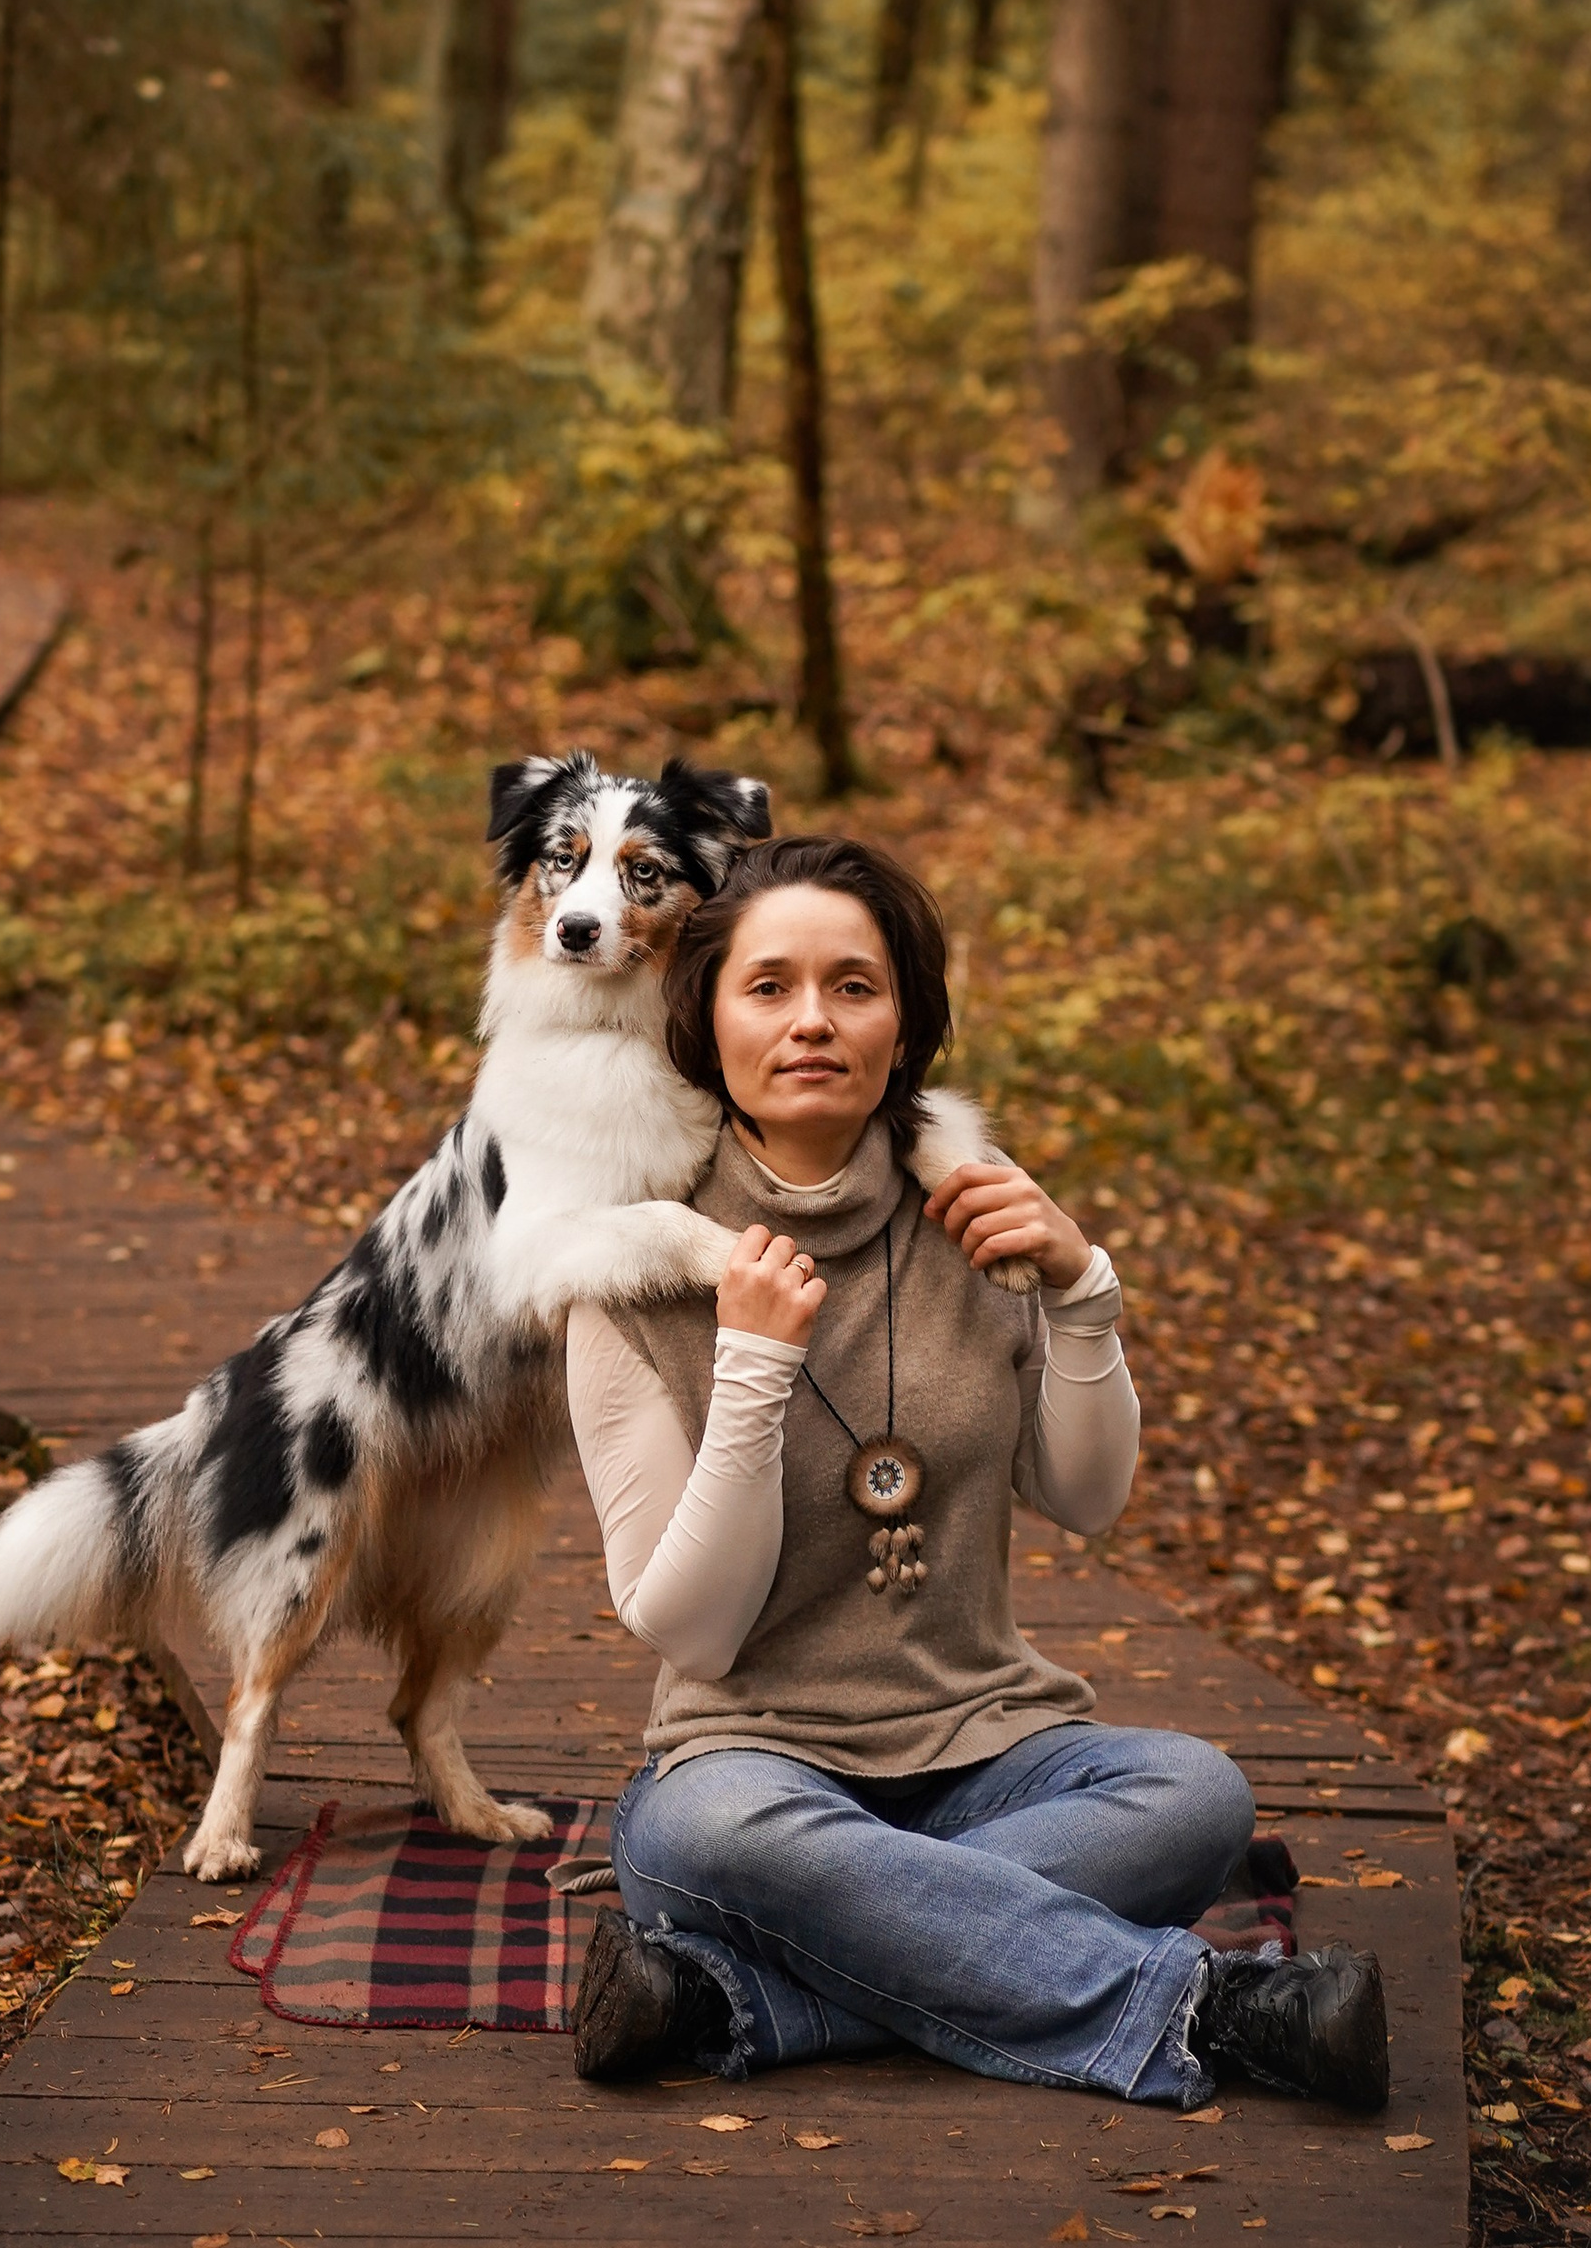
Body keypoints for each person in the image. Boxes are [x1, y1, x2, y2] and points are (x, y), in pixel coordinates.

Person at [565, 832, 1388, 2111]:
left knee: (1196, 1793)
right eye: (768, 986)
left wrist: (1083, 1293)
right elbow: (692, 1628)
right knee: (705, 1837)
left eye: (854, 984)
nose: (812, 1021)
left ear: (907, 1019)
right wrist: (749, 1372)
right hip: (750, 1767)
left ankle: (736, 1998)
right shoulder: (630, 1276)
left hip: (991, 1752)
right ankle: (1210, 2008)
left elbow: (1088, 1496)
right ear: (702, 1021)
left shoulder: (977, 1216)